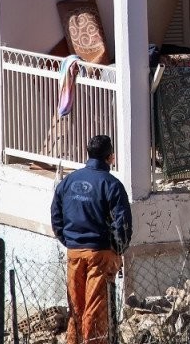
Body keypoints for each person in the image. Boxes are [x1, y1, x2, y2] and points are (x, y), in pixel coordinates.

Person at [51, 134, 132, 344]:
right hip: (100, 253)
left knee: (76, 308)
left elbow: (56, 215)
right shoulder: (111, 184)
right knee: (95, 310)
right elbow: (122, 223)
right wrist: (117, 249)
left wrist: (68, 240)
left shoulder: (69, 181)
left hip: (74, 252)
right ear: (110, 157)